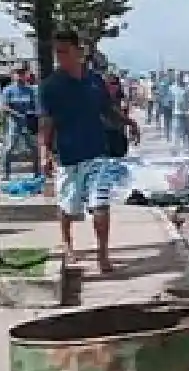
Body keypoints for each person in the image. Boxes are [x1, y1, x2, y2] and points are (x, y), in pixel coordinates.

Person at [39, 29, 139, 271]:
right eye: (57, 53)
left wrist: (129, 123)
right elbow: (46, 123)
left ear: (78, 51)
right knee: (68, 206)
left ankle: (102, 255)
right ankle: (67, 243)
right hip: (68, 156)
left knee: (100, 204)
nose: (60, 57)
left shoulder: (95, 81)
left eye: (64, 51)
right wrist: (44, 155)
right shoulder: (50, 86)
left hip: (97, 153)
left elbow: (108, 109)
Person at [1, 65, 40, 180]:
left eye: (22, 73)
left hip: (27, 124)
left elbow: (35, 106)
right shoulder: (8, 90)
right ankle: (6, 174)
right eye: (17, 73)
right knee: (9, 148)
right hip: (14, 124)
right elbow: (4, 107)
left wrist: (32, 115)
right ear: (13, 75)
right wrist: (17, 114)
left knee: (34, 148)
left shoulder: (30, 90)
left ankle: (36, 173)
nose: (19, 76)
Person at [169, 72, 189, 149]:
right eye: (178, 76)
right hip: (176, 112)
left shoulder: (188, 88)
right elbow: (170, 100)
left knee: (187, 131)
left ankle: (187, 146)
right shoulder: (172, 88)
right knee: (177, 130)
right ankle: (176, 147)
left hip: (186, 113)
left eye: (181, 77)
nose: (179, 78)